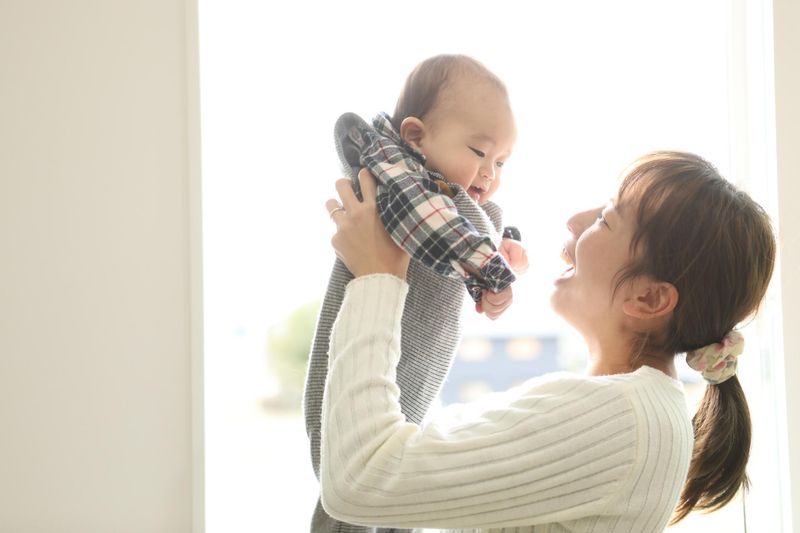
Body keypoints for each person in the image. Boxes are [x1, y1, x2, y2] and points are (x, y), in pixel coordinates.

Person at [321, 151, 776, 532]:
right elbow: (419, 457)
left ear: (649, 297)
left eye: (605, 218)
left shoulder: (621, 418)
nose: (574, 222)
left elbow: (360, 478)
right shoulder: (639, 410)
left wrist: (377, 276)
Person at [304, 54, 528, 533]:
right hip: (358, 380)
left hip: (408, 384)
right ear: (415, 136)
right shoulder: (398, 181)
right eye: (478, 151)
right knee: (349, 499)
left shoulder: (455, 203)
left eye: (502, 161)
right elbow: (440, 230)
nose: (489, 173)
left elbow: (469, 236)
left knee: (398, 491)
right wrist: (492, 269)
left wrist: (504, 251)